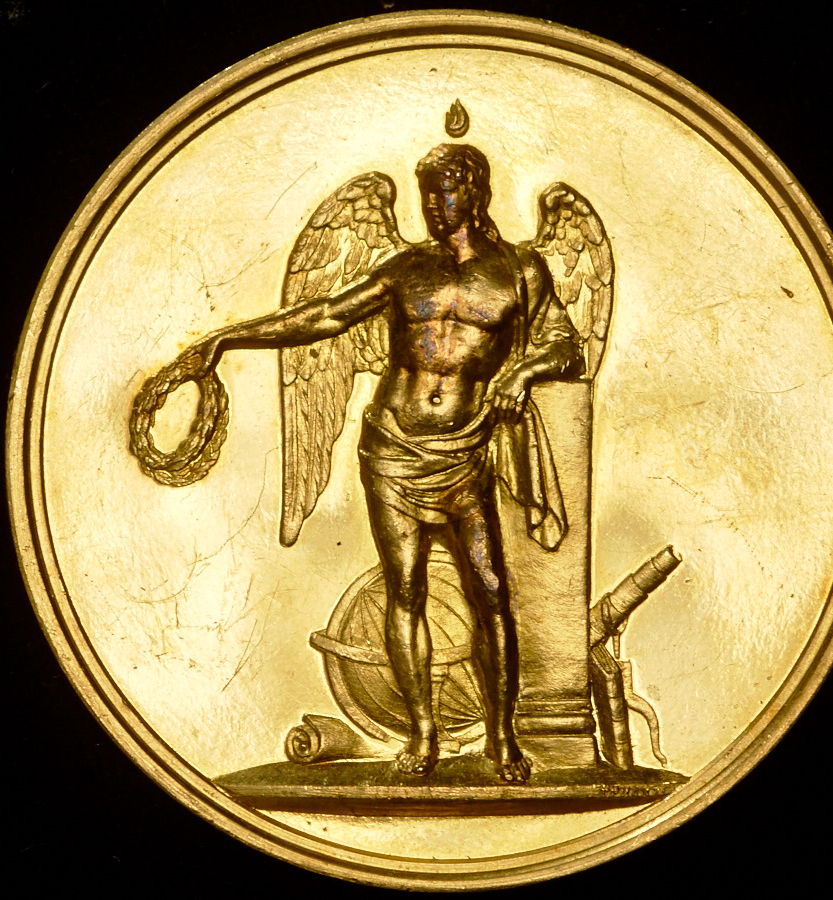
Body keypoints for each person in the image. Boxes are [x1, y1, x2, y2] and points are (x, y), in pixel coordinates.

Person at [190, 144, 583, 782]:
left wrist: (526, 370)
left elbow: (566, 344)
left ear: (474, 192)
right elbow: (325, 315)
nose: (433, 204)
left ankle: (501, 735)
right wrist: (229, 336)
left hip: (465, 454)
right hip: (392, 448)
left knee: (491, 591)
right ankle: (423, 735)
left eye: (444, 191)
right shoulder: (406, 268)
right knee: (405, 591)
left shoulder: (520, 269)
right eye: (426, 192)